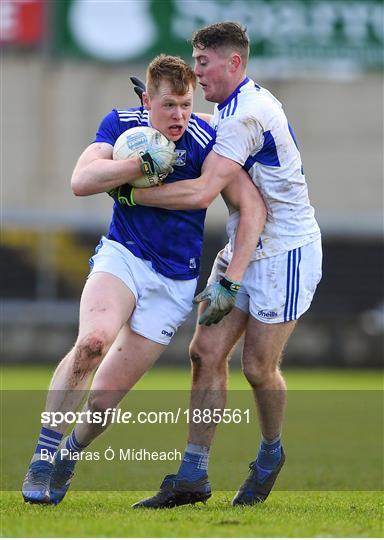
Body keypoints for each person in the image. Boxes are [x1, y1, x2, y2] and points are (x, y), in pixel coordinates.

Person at [21, 54, 266, 505]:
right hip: (123, 256)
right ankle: (43, 455)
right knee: (92, 342)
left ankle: (70, 455)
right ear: (146, 99)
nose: (179, 116)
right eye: (169, 105)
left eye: (187, 105)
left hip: (173, 283)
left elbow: (251, 207)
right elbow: (82, 179)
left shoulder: (208, 139)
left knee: (101, 405)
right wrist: (137, 165)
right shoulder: (122, 124)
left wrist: (230, 280)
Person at [130, 22, 322, 508]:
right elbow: (211, 145)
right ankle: (193, 475)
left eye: (203, 63)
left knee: (258, 367)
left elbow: (200, 191)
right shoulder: (229, 108)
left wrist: (129, 191)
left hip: (285, 252)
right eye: (194, 61)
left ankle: (270, 454)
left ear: (233, 63)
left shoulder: (245, 114)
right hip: (243, 244)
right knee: (204, 351)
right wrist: (161, 114)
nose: (197, 72)